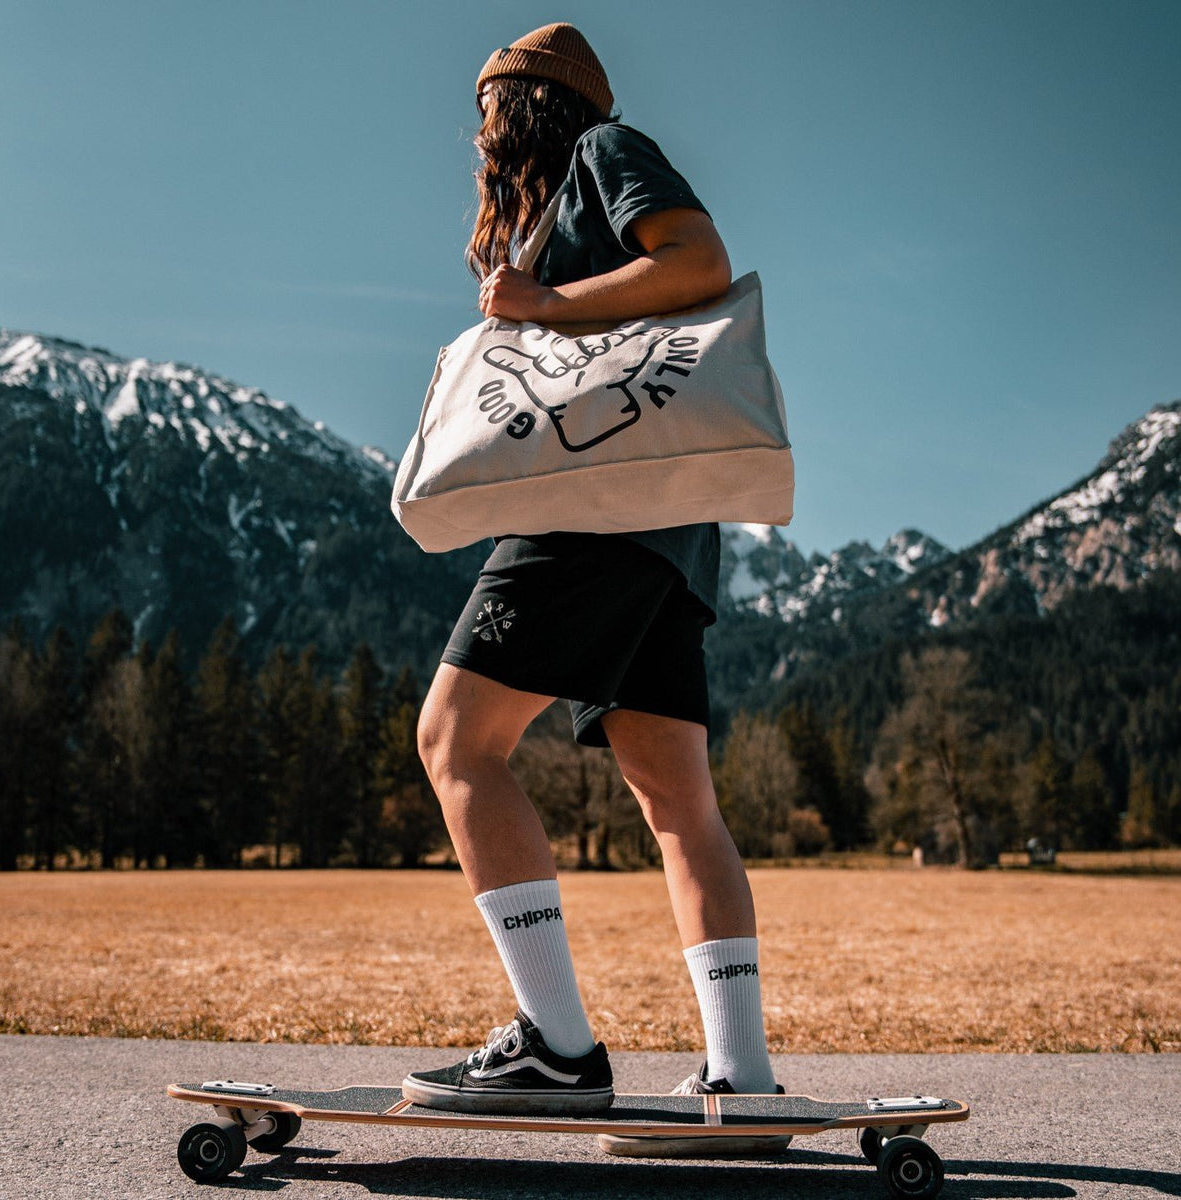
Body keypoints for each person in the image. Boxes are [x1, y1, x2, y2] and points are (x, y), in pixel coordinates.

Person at [403, 22, 786, 1157]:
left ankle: (555, 1049)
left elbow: (698, 264)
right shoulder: (557, 197)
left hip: (595, 515)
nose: (475, 133)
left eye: (486, 108)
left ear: (525, 102)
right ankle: (742, 1076)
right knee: (679, 803)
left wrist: (539, 308)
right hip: (666, 538)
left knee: (454, 743)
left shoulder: (605, 152)